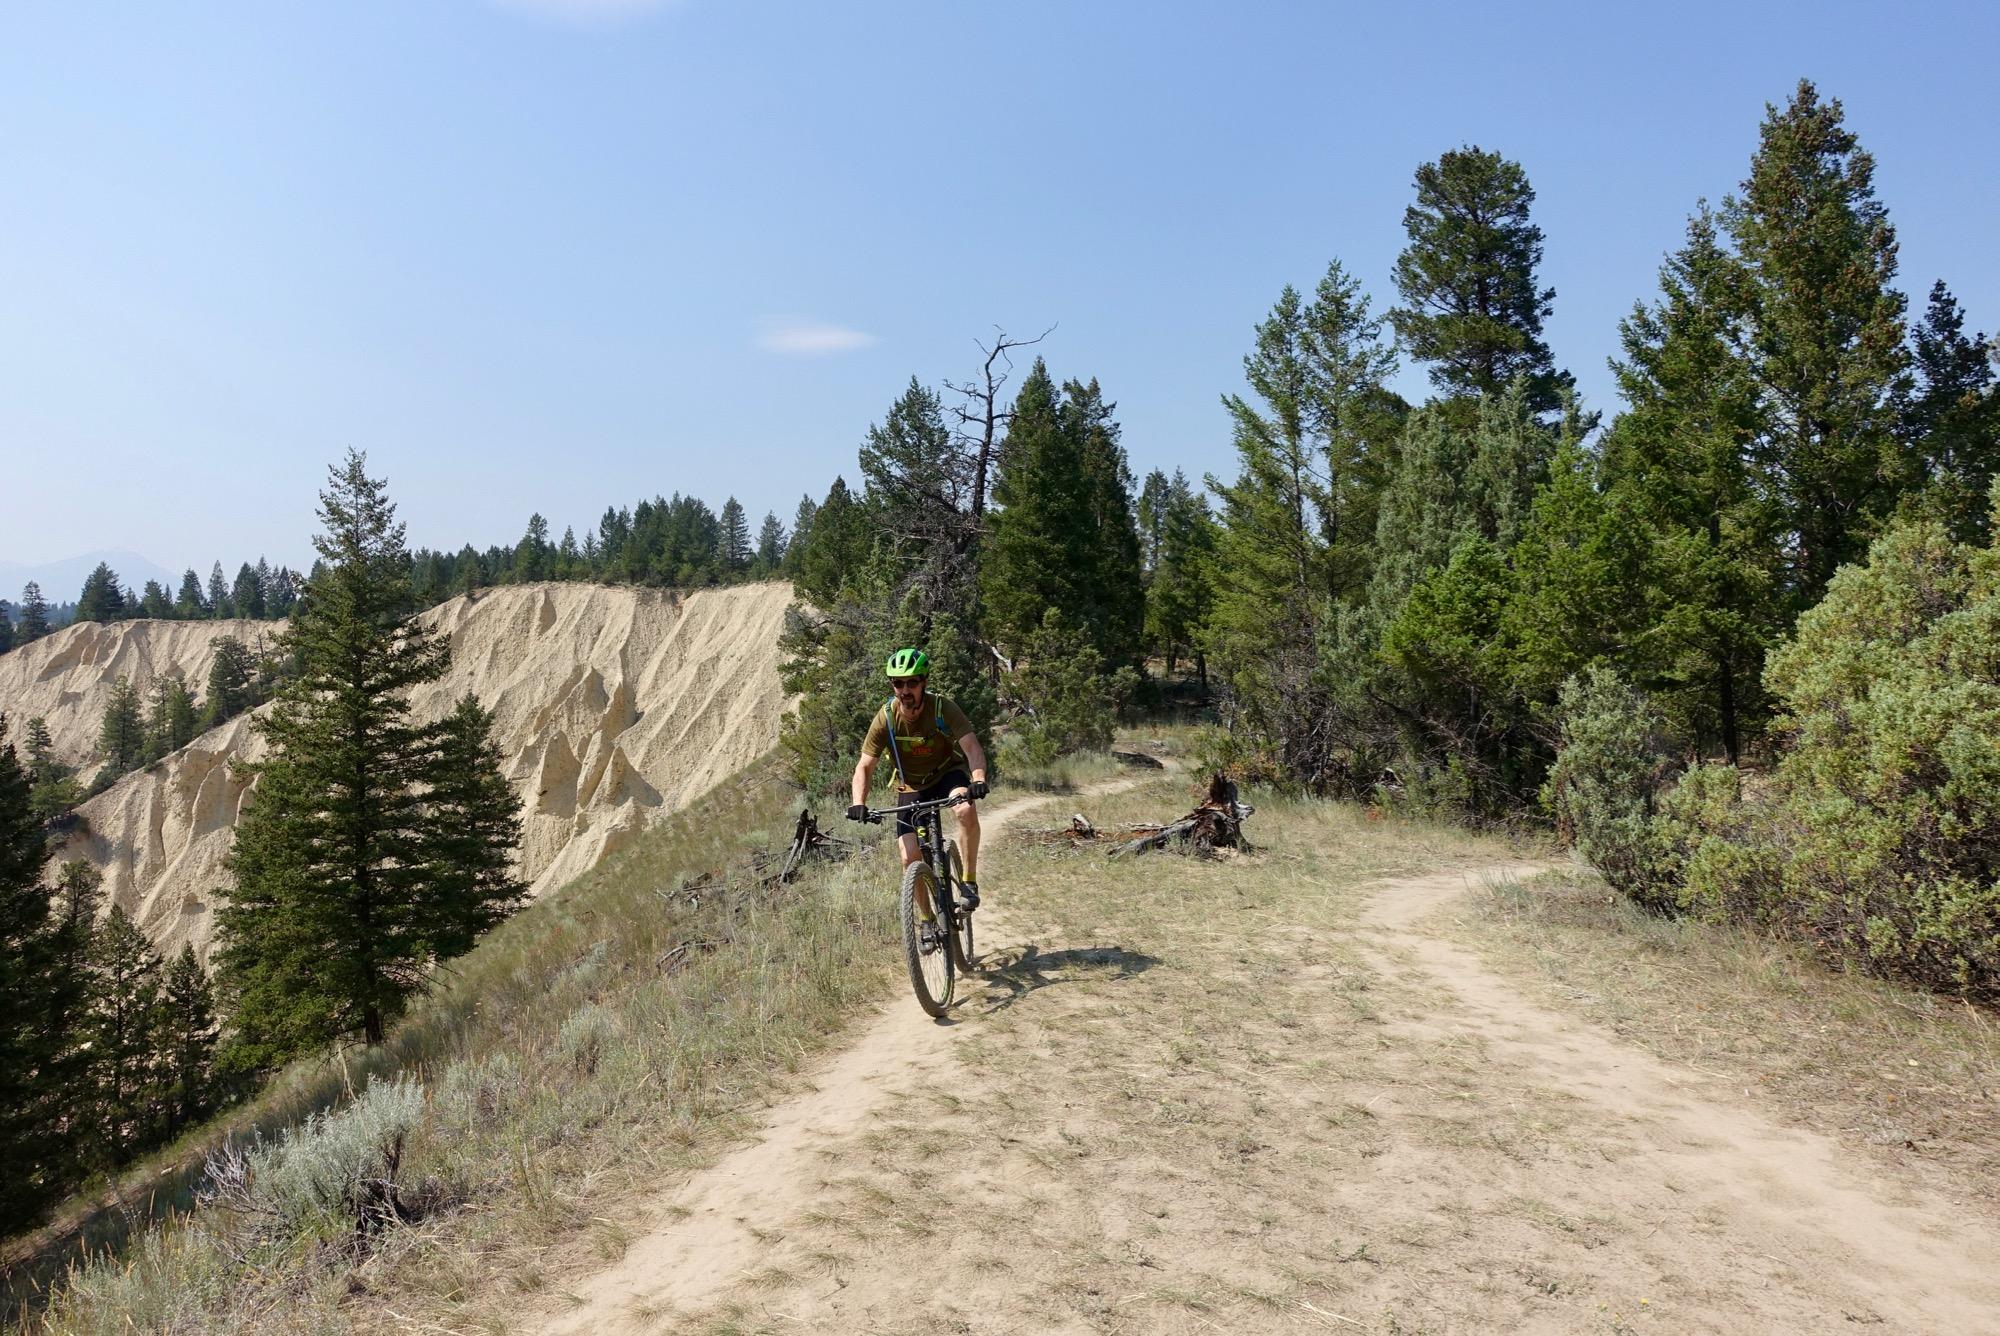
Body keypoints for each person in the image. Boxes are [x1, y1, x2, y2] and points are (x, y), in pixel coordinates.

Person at [847, 647, 990, 908]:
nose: (905, 690)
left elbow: (972, 747)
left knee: (965, 810)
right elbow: (865, 766)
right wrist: (859, 802)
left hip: (947, 773)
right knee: (908, 856)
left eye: (912, 682)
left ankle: (969, 881)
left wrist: (978, 779)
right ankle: (925, 920)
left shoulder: (942, 708)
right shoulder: (887, 718)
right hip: (911, 784)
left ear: (924, 682)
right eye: (898, 683)